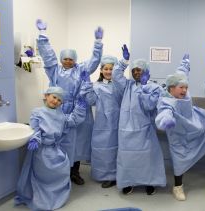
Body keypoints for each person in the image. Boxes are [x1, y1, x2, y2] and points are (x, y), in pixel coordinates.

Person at [36, 19, 103, 185]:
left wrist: (98, 43)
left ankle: (75, 172)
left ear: (75, 59)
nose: (67, 61)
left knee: (78, 143)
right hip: (58, 109)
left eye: (70, 59)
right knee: (59, 141)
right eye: (65, 58)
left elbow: (94, 61)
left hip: (79, 110)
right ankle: (61, 172)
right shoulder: (54, 71)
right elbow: (48, 56)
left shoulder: (81, 70)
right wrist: (43, 35)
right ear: (61, 59)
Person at [155, 54, 205, 201]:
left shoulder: (183, 89)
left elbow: (182, 72)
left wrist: (185, 62)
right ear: (171, 88)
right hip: (178, 135)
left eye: (186, 87)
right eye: (181, 87)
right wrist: (166, 121)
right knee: (179, 160)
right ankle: (178, 186)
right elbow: (164, 112)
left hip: (194, 125)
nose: (184, 90)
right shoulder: (167, 101)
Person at [14, 86, 87, 211]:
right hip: (41, 150)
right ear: (46, 96)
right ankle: (42, 199)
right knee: (42, 177)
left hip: (55, 149)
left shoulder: (61, 115)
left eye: (59, 100)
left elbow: (73, 121)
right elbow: (35, 128)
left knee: (62, 171)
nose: (56, 101)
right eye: (54, 97)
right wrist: (35, 139)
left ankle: (55, 196)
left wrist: (80, 108)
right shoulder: (37, 112)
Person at [113, 49, 166, 195]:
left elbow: (149, 106)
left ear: (146, 71)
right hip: (126, 129)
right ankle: (128, 182)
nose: (136, 72)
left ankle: (150, 182)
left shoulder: (154, 88)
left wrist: (144, 88)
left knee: (147, 157)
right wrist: (124, 62)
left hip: (145, 129)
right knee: (128, 158)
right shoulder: (127, 86)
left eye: (140, 70)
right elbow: (116, 76)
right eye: (134, 70)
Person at [81, 55, 123, 188]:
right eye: (106, 69)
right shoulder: (96, 86)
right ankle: (103, 175)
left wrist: (124, 63)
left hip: (118, 123)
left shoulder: (119, 85)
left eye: (111, 69)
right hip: (101, 124)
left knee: (117, 149)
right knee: (102, 149)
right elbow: (90, 101)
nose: (109, 71)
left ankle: (116, 175)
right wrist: (87, 84)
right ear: (101, 70)